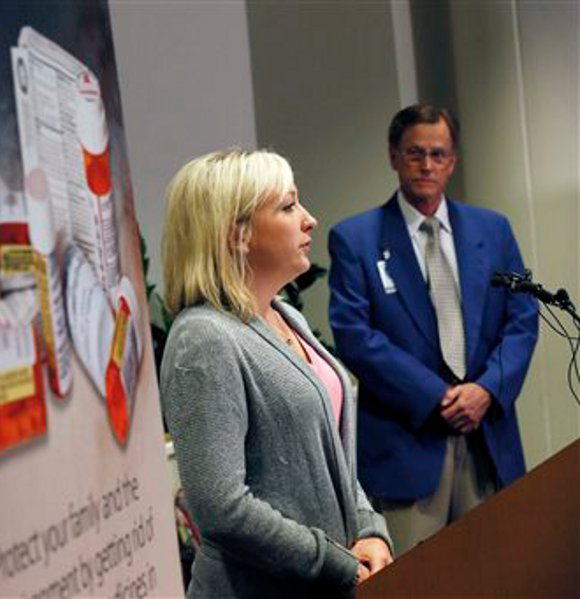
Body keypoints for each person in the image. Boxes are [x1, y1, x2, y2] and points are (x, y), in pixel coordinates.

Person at [160, 149, 392, 597]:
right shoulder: (204, 339)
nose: (310, 220)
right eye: (288, 207)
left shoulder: (285, 315)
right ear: (236, 234)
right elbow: (220, 507)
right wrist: (333, 561)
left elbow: (332, 456)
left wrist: (369, 529)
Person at [328, 104, 539, 553]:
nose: (427, 165)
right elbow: (354, 334)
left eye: (438, 154)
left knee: (501, 571)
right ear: (393, 156)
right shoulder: (356, 239)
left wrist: (486, 389)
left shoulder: (493, 229)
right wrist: (437, 396)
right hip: (409, 442)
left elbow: (521, 321)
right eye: (415, 153)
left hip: (488, 438)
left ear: (453, 161)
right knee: (418, 581)